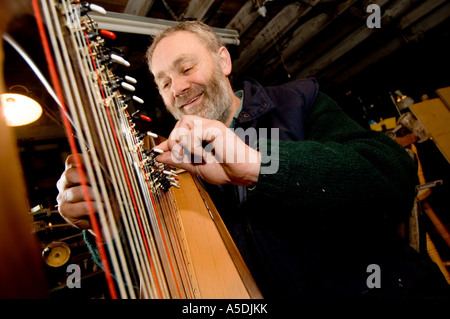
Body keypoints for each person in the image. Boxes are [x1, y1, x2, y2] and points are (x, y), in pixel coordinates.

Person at [57, 21, 448, 299]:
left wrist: (257, 164)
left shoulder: (299, 101)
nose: (177, 88)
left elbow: (392, 175)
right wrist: (106, 229)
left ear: (223, 61)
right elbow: (149, 274)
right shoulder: (173, 165)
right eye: (163, 82)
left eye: (186, 68)